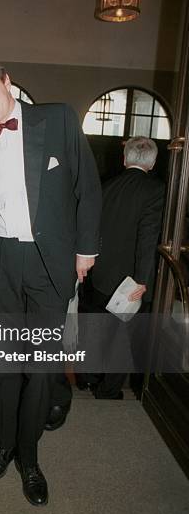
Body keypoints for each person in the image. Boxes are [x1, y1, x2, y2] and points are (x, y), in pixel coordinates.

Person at [0, 54, 102, 506]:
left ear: (7, 80)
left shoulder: (57, 118)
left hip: (49, 263)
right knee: (1, 366)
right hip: (0, 260)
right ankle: (4, 445)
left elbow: (88, 187)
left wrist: (86, 249)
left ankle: (30, 458)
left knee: (39, 367)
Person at [79, 136, 165, 399]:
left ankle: (88, 378)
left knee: (95, 326)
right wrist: (142, 279)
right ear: (152, 162)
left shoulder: (106, 186)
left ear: (125, 158)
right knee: (122, 334)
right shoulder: (155, 190)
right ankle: (109, 390)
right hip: (129, 277)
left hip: (100, 271)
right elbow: (147, 238)